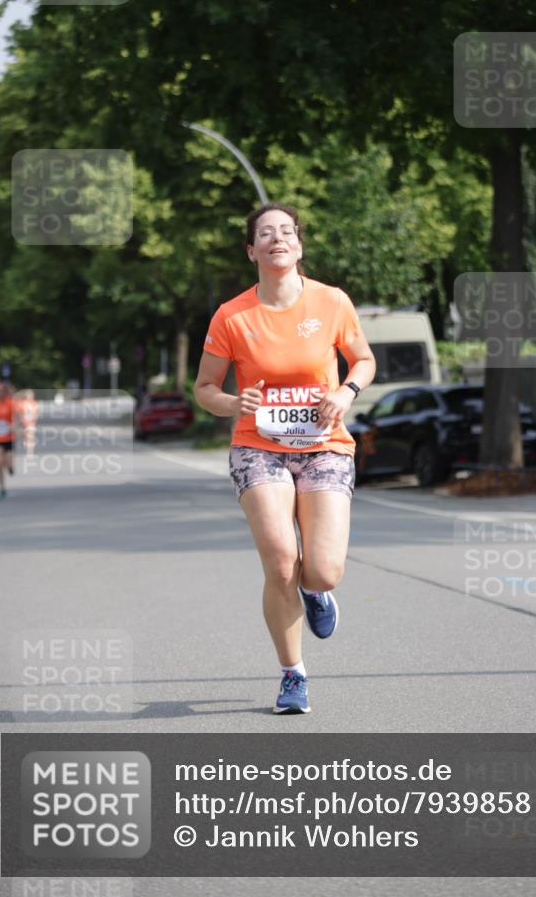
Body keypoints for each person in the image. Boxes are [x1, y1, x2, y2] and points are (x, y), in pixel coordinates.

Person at [195, 203, 376, 714]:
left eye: (287, 232)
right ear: (251, 249)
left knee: (322, 570)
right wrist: (234, 403)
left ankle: (317, 592)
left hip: (325, 446)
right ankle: (292, 673)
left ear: (298, 245)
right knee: (280, 564)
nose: (278, 239)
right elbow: (204, 388)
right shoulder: (231, 315)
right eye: (266, 234)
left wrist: (346, 392)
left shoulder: (332, 302)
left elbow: (363, 358)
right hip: (258, 447)